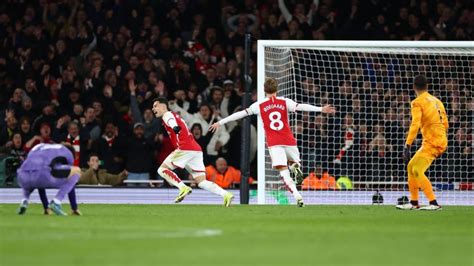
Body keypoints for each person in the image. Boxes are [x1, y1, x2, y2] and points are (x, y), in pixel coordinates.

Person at [210, 78, 336, 207]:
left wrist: (220, 122)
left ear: (264, 90)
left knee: (283, 172)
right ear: (277, 89)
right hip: (288, 139)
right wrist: (321, 109)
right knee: (293, 163)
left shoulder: (258, 105)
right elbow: (301, 106)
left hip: (274, 142)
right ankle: (295, 167)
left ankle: (297, 195)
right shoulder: (285, 102)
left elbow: (240, 114)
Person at [152, 97, 234, 207]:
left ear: (163, 106)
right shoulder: (176, 115)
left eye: (155, 105)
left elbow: (170, 120)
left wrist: (175, 127)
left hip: (184, 148)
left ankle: (183, 187)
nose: (153, 108)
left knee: (162, 169)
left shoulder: (167, 115)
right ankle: (226, 194)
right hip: (196, 149)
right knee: (201, 182)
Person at [397, 75, 448, 211]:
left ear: (414, 87)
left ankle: (434, 203)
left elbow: (415, 124)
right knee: (410, 167)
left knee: (417, 169)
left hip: (433, 142)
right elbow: (446, 124)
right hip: (439, 138)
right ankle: (414, 202)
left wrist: (407, 145)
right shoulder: (437, 101)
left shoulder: (417, 102)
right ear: (427, 86)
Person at [16, 143, 81, 216]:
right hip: (43, 174)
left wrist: (45, 207)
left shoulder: (39, 146)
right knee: (76, 171)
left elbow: (40, 184)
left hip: (22, 175)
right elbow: (70, 175)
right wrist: (74, 207)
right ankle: (56, 202)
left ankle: (24, 201)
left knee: (35, 178)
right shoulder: (66, 151)